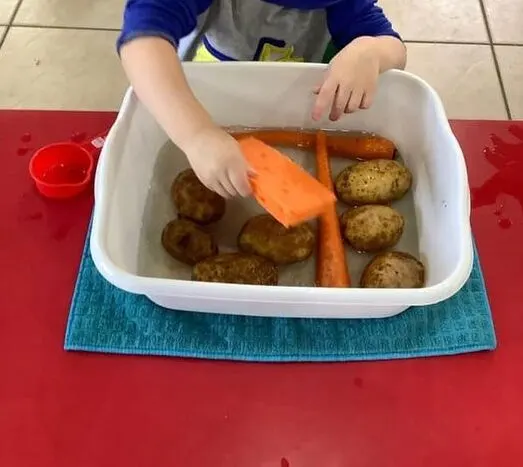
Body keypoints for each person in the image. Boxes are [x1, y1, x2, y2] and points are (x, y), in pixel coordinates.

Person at [118, 0, 406, 198]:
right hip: (195, 112)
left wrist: (372, 51)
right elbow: (141, 42)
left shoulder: (341, 4)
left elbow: (395, 51)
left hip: (289, 113)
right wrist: (197, 135)